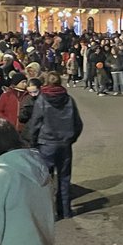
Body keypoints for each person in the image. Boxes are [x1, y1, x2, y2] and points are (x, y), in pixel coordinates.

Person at [26, 72, 84, 220]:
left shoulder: (42, 100)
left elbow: (36, 123)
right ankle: (65, 211)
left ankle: (49, 212)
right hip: (64, 144)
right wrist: (71, 138)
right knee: (64, 178)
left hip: (46, 143)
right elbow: (78, 123)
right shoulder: (68, 100)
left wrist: (32, 143)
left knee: (46, 179)